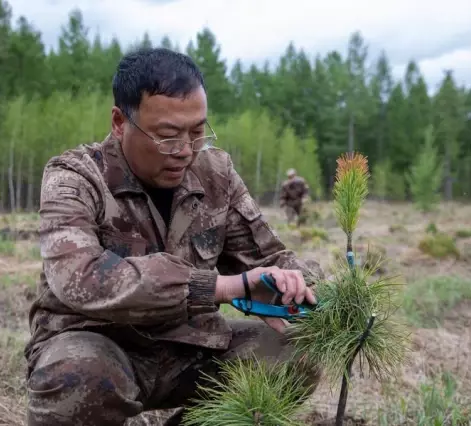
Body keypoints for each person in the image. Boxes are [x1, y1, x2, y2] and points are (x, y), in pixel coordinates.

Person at [23, 48, 324, 426]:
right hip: (98, 343)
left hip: (190, 347)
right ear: (120, 122)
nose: (185, 150)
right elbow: (80, 278)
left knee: (293, 356)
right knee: (76, 373)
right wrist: (224, 287)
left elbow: (267, 257)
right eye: (167, 136)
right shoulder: (76, 177)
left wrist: (314, 292)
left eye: (198, 132)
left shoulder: (216, 173)